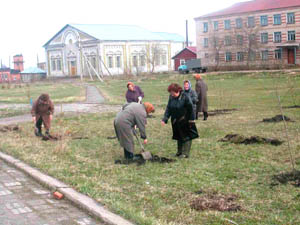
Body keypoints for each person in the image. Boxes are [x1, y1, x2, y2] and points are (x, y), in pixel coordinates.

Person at [161, 83, 199, 158]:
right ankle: (179, 152)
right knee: (178, 136)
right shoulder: (171, 97)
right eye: (170, 93)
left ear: (177, 90)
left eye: (173, 93)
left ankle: (185, 153)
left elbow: (190, 109)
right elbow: (168, 108)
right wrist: (165, 119)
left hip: (185, 120)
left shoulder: (185, 96)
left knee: (186, 136)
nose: (172, 94)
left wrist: (191, 120)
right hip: (175, 120)